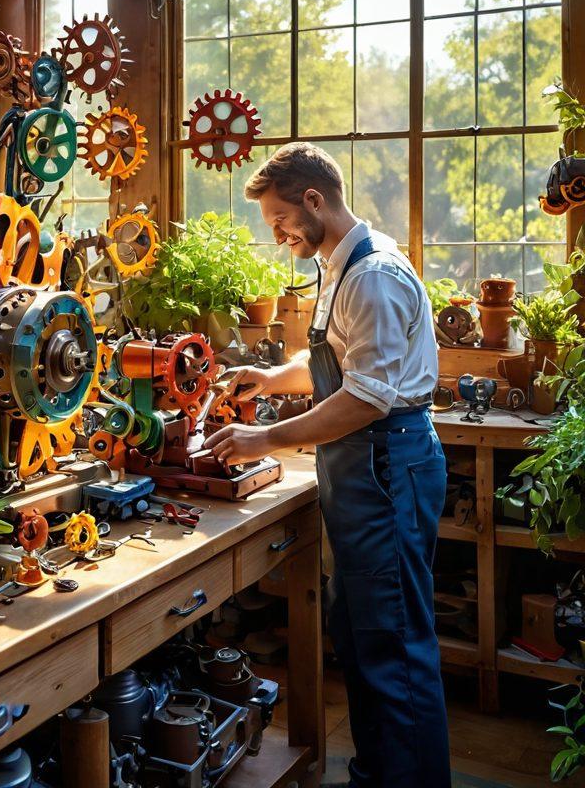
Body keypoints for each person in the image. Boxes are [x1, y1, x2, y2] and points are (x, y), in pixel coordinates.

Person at [204, 143, 450, 788]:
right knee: (367, 634)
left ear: (315, 199)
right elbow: (338, 364)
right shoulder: (340, 265)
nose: (279, 235)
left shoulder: (371, 276)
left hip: (385, 461)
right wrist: (270, 377)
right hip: (364, 463)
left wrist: (265, 440)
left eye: (281, 219)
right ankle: (381, 772)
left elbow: (367, 398)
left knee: (393, 643)